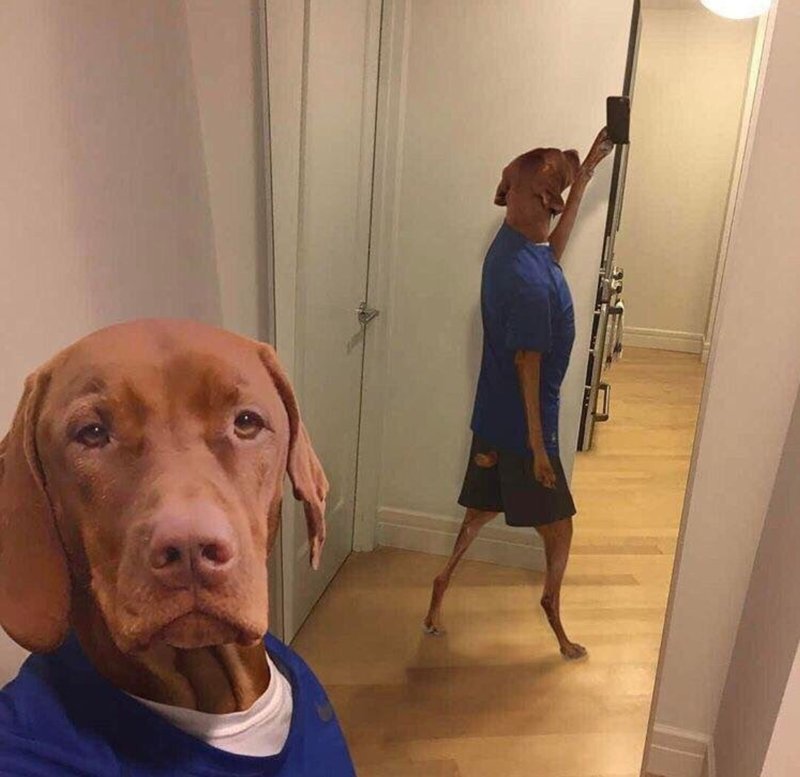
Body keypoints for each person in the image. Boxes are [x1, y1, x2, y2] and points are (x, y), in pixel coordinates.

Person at [423, 129, 614, 659]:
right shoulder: (527, 281)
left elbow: (552, 253)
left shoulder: (513, 248)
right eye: (558, 185)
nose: (562, 188)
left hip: (493, 415)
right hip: (525, 428)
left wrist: (585, 173)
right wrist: (537, 449)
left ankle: (440, 586)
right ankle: (552, 607)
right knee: (560, 529)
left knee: (478, 513)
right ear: (539, 198)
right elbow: (527, 363)